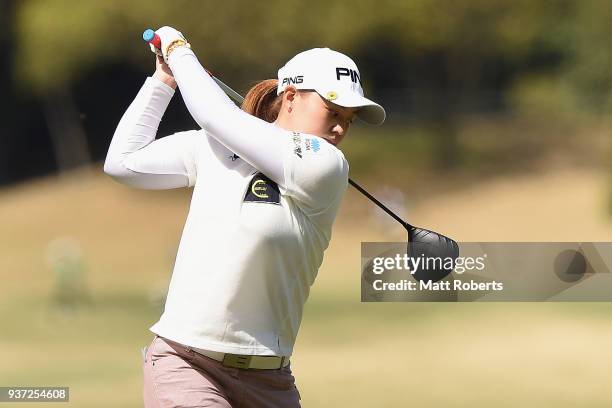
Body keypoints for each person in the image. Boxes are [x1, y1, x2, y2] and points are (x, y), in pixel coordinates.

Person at [104, 26, 385, 408]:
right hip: (186, 365)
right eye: (332, 111)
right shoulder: (214, 147)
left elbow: (215, 116)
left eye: (349, 119)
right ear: (290, 96)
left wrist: (177, 47)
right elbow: (123, 163)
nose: (340, 127)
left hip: (270, 380)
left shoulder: (326, 165)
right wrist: (163, 80)